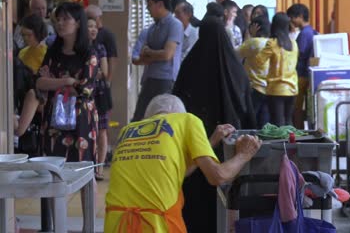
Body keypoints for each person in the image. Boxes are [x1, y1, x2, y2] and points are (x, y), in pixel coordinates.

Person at [104, 94, 261, 232]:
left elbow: (174, 171)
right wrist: (244, 154)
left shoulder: (128, 130)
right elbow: (218, 176)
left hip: (116, 223)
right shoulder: (187, 120)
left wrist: (209, 142)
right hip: (156, 225)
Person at [172, 16, 256, 233]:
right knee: (229, 195)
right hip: (230, 143)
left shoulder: (190, 66)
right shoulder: (236, 69)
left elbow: (177, 105)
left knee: (196, 200)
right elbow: (247, 106)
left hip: (196, 147)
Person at [36, 1, 98, 162]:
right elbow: (39, 82)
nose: (60, 23)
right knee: (52, 165)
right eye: (58, 19)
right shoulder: (53, 52)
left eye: (65, 19)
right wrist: (68, 81)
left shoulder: (88, 53)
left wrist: (55, 81)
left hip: (81, 117)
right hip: (53, 117)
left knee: (83, 166)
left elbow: (84, 89)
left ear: (78, 23)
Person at [131, 0, 184, 122]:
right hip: (149, 77)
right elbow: (138, 57)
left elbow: (167, 54)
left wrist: (149, 52)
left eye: (149, 5)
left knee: (161, 120)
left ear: (160, 4)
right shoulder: (152, 28)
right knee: (140, 117)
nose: (147, 10)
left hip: (165, 79)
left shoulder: (174, 24)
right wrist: (149, 55)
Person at [256, 12, 299, 126]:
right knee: (288, 122)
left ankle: (280, 144)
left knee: (277, 123)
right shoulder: (294, 44)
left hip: (276, 89)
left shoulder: (272, 43)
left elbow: (259, 60)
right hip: (292, 88)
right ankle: (291, 144)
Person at [286, 3, 318, 129]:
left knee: (297, 107)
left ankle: (297, 129)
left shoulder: (305, 34)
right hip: (306, 73)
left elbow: (299, 53)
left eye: (291, 17)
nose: (290, 21)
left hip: (301, 75)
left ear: (299, 16)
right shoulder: (311, 31)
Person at [88, 17, 110, 180]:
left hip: (99, 94)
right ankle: (87, 166)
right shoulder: (78, 47)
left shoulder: (100, 47)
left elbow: (104, 72)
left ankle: (99, 168)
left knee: (101, 130)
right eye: (89, 26)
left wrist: (88, 73)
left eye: (95, 26)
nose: (93, 29)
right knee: (87, 129)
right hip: (84, 94)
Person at [238, 16, 271, 128]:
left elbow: (234, 54)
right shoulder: (272, 43)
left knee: (250, 121)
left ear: (254, 28)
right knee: (264, 121)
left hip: (254, 87)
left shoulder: (253, 43)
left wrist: (249, 36)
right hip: (269, 88)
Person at [85, 5, 118, 83]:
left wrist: (108, 80)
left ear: (98, 18)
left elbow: (112, 58)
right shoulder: (83, 35)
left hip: (100, 79)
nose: (88, 20)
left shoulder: (107, 35)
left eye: (91, 17)